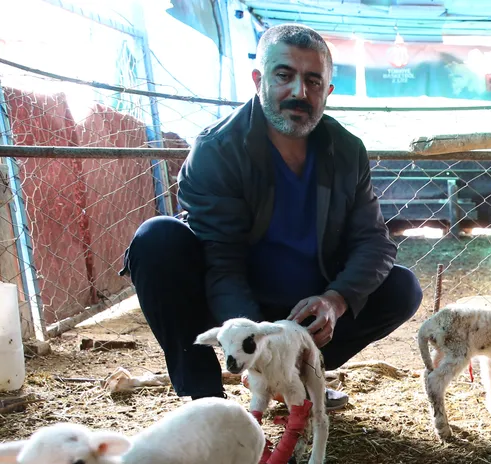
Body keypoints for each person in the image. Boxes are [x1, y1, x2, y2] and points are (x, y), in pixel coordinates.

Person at [123, 24, 422, 407]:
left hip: (305, 306)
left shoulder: (346, 151)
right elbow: (222, 262)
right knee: (156, 241)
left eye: (314, 81)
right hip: (230, 300)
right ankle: (206, 402)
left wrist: (334, 300)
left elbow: (374, 241)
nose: (299, 92)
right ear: (258, 80)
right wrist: (256, 341)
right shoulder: (218, 150)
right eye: (284, 76)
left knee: (401, 288)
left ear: (328, 92)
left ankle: (299, 378)